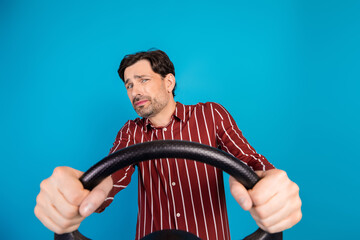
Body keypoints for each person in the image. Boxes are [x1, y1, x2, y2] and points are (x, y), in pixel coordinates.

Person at [34, 50, 302, 240]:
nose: (134, 91)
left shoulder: (211, 114)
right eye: (128, 85)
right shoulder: (130, 131)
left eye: (143, 80)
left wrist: (272, 189)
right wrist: (78, 195)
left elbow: (251, 162)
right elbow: (110, 178)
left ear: (169, 82)